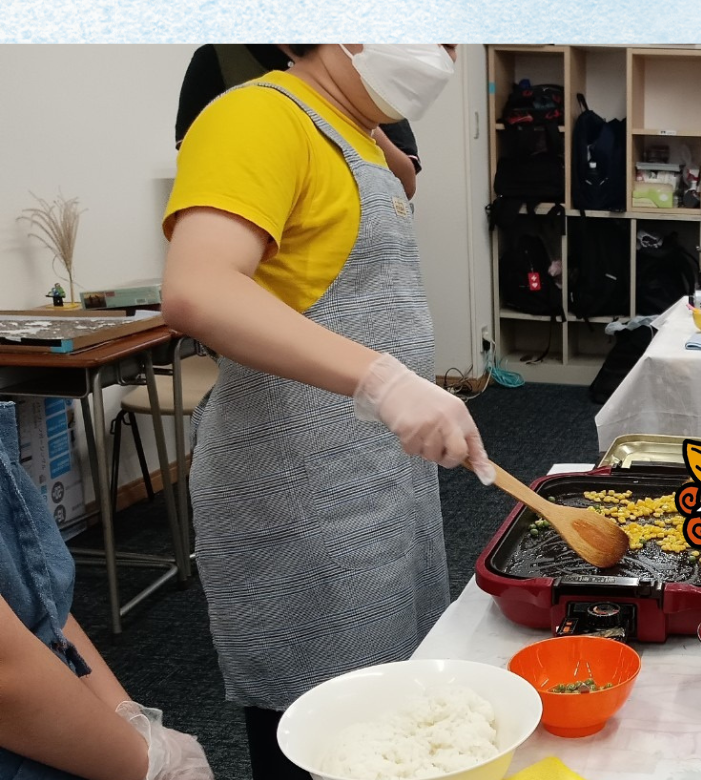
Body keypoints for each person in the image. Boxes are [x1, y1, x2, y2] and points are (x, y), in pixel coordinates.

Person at [160, 44, 491, 779]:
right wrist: (382, 379)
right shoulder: (257, 116)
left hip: (379, 475)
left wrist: (383, 143)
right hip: (296, 487)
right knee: (320, 729)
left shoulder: (353, 134)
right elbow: (198, 287)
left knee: (394, 703)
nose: (439, 51)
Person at [1, 402, 213, 780]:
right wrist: (149, 765)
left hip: (54, 715)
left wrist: (135, 724)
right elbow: (7, 674)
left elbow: (41, 605)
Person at [174, 44, 424, 199]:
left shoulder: (358, 57)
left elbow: (405, 184)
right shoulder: (219, 59)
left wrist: (359, 119)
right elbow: (201, 171)